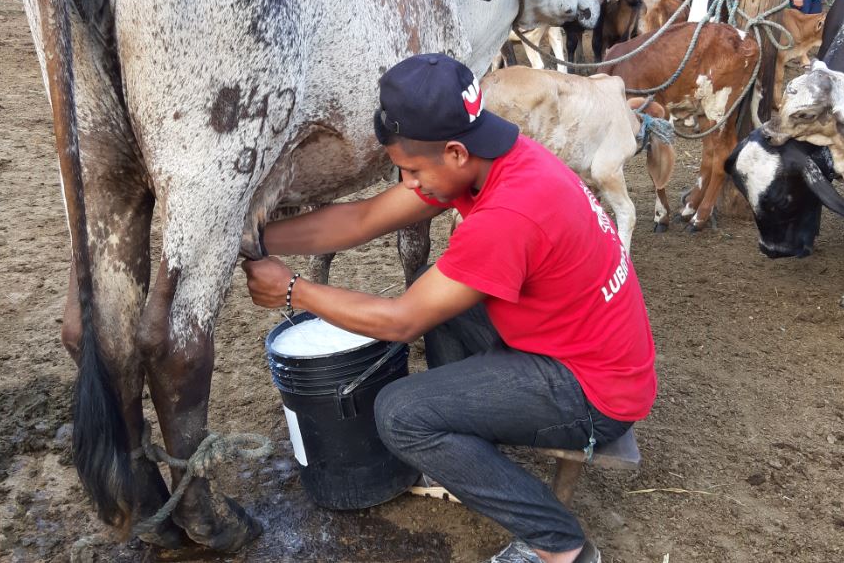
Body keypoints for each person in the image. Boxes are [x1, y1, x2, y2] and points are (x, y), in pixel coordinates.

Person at [242, 53, 657, 563]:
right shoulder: (495, 157)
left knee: (399, 415)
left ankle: (560, 543)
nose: (409, 183)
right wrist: (249, 241)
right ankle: (469, 448)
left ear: (456, 152)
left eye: (413, 170)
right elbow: (364, 218)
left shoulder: (509, 213)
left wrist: (293, 292)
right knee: (438, 291)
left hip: (594, 392)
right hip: (574, 345)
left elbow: (402, 321)